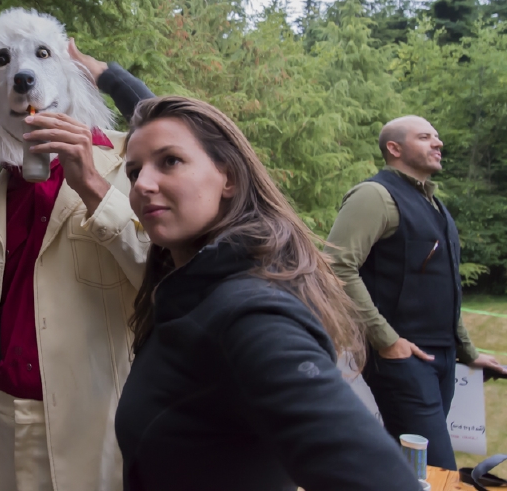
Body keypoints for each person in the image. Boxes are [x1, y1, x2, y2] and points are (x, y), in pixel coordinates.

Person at [113, 95, 422, 491]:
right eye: (134, 171)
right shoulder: (187, 293)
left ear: (229, 178)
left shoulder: (248, 315)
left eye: (170, 161)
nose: (142, 184)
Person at [0, 18, 154, 491]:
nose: (21, 74)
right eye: (2, 61)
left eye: (42, 54)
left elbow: (168, 278)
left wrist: (92, 186)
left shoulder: (130, 170)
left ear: (71, 74)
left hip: (95, 430)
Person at [325, 115, 505, 470]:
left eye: (437, 136)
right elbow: (336, 267)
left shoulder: (435, 205)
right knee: (437, 469)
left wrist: (467, 352)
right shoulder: (374, 196)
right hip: (401, 359)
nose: (438, 143)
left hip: (441, 358)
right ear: (394, 148)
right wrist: (387, 340)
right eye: (425, 137)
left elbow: (444, 289)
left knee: (408, 469)